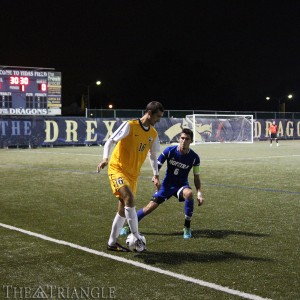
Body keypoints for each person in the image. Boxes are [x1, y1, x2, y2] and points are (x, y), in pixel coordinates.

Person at [97, 101, 164, 252]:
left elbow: (153, 156)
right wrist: (105, 158)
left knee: (122, 209)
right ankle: (137, 237)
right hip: (117, 168)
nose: (159, 119)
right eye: (157, 116)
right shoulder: (130, 125)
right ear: (149, 113)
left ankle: (112, 243)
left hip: (133, 175)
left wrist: (156, 174)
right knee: (129, 198)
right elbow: (110, 141)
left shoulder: (153, 134)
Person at [120, 128, 204, 239]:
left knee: (189, 193)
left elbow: (196, 177)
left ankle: (187, 227)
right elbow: (157, 165)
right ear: (179, 139)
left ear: (191, 141)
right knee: (149, 207)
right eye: (182, 138)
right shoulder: (169, 151)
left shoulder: (194, 158)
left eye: (187, 139)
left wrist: (199, 193)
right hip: (166, 186)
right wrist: (155, 177)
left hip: (181, 186)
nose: (184, 141)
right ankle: (128, 226)